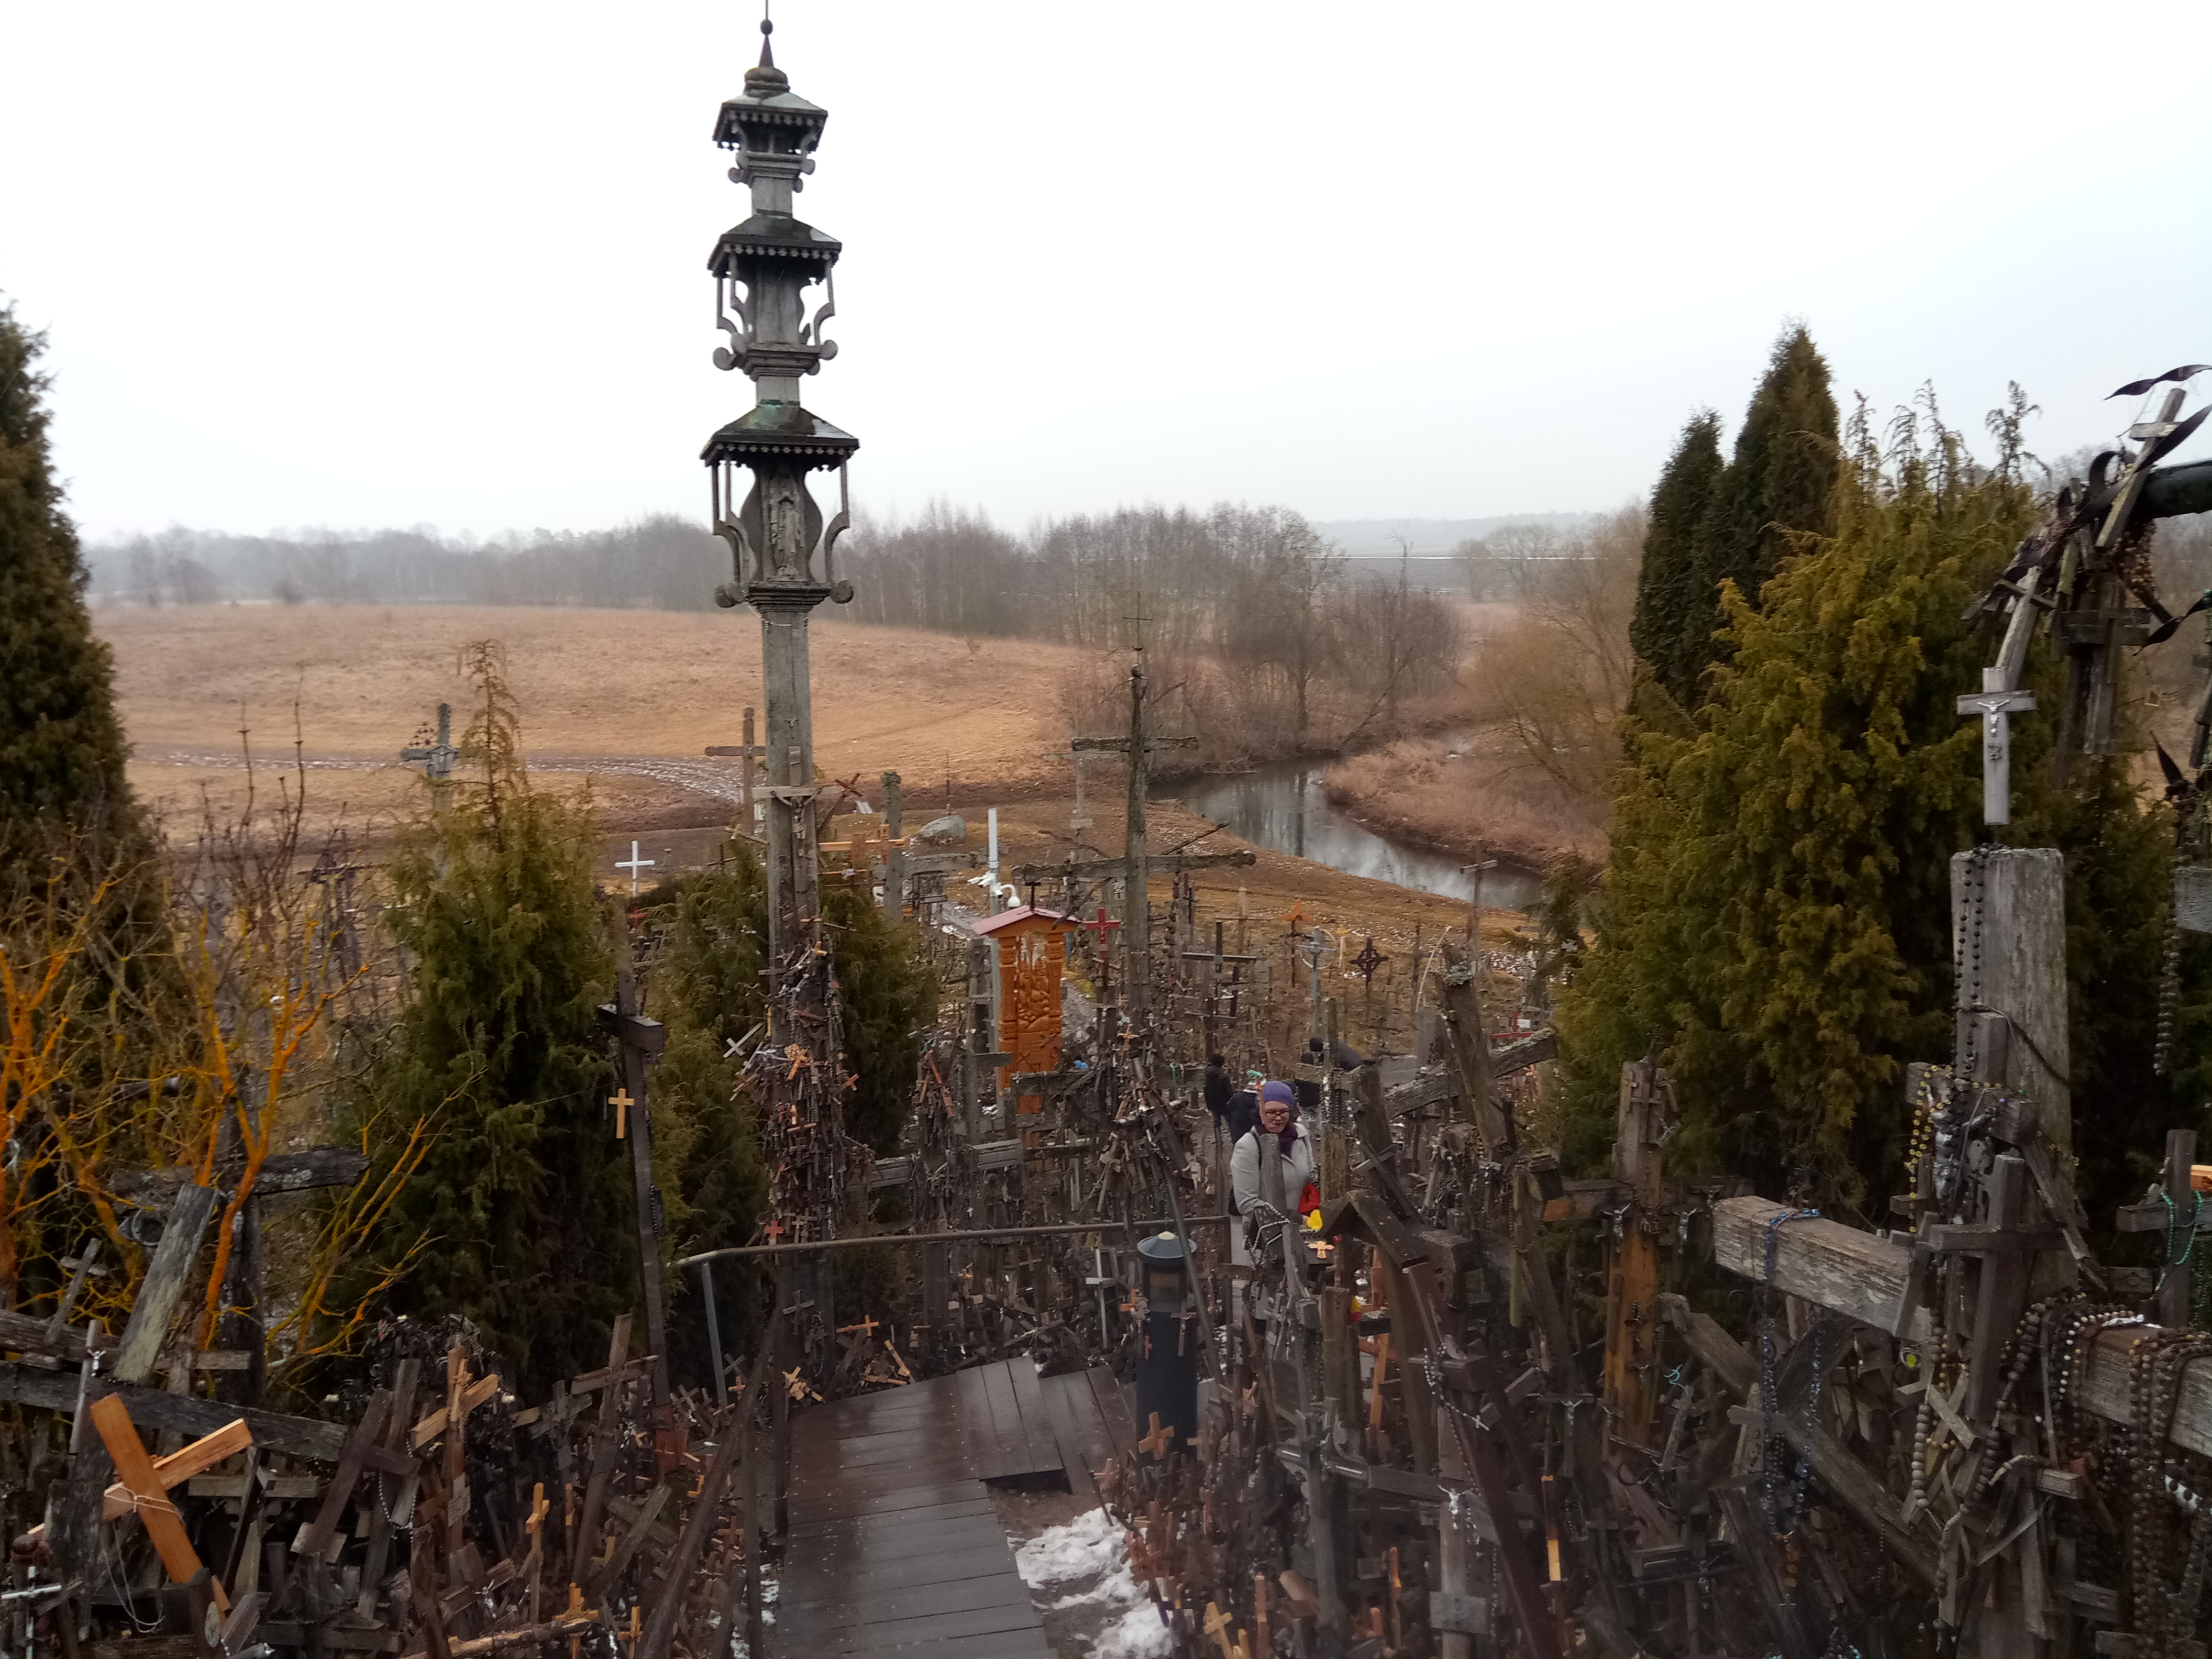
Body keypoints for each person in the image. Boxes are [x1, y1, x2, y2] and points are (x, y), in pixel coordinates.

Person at [1230, 1081, 1318, 1220]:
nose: (1278, 1118)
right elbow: (1247, 1204)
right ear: (1260, 1111)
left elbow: (1311, 1175)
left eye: (1283, 1112)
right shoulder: (1248, 1146)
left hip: (1306, 1231)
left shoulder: (1300, 1135)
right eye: (1271, 1112)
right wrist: (1297, 1220)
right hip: (1270, 1235)